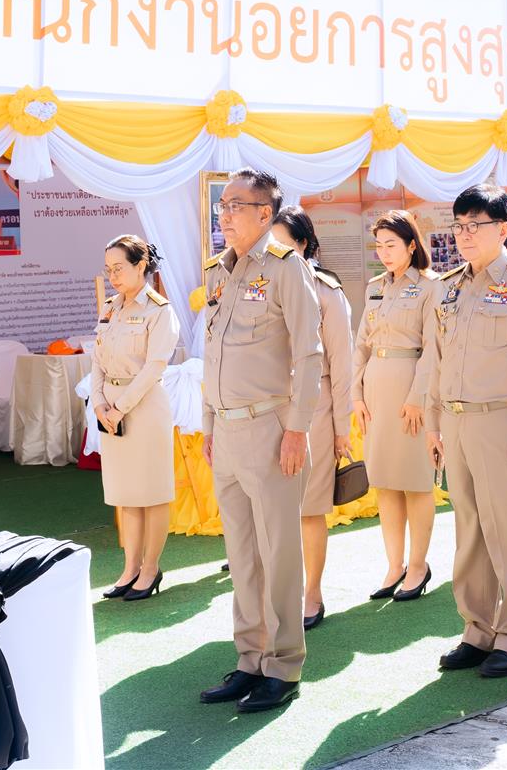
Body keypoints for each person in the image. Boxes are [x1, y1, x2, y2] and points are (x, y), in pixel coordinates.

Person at [198, 168, 322, 715]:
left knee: (278, 552)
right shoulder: (219, 272)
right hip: (226, 430)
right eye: (221, 206)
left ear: (265, 213)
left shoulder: (286, 270)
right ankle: (250, 659)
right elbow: (212, 356)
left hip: (271, 429)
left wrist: (297, 429)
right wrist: (208, 426)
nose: (224, 215)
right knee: (242, 554)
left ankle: (284, 664)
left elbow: (309, 355)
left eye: (235, 206)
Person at [424, 184, 507, 679]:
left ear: (503, 229)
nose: (464, 236)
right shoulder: (449, 285)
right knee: (470, 531)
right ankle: (477, 630)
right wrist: (433, 421)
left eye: (474, 226)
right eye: (458, 226)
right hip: (455, 423)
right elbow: (435, 358)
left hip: (504, 422)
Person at [271, 208, 355, 630]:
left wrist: (343, 428)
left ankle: (312, 593)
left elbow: (342, 366)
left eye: (282, 242)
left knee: (308, 509)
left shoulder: (326, 291)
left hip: (316, 408)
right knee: (272, 513)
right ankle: (280, 593)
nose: (274, 251)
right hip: (267, 408)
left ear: (303, 244)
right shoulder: (258, 284)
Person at [353, 211, 441, 603]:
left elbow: (434, 349)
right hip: (375, 390)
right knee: (386, 481)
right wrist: (355, 395)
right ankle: (394, 565)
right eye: (379, 245)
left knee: (416, 482)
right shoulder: (374, 286)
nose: (384, 253)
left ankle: (419, 565)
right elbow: (361, 345)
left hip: (411, 392)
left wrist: (417, 397)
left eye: (392, 244)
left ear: (411, 245)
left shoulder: (429, 286)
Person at [91, 235, 181, 601]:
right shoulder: (110, 307)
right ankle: (130, 567)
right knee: (126, 494)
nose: (112, 276)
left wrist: (118, 407)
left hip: (141, 407)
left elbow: (153, 368)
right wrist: (98, 403)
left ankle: (150, 568)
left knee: (152, 493)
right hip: (110, 406)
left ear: (141, 266)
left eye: (119, 268)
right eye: (108, 269)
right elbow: (96, 359)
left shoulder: (160, 310)